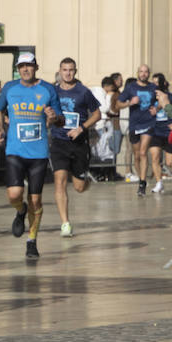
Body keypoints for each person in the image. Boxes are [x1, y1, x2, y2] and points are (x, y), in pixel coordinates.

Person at [0, 52, 59, 259]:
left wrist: (54, 117)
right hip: (15, 149)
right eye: (21, 66)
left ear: (36, 67)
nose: (25, 69)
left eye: (29, 66)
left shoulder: (48, 89)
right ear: (17, 69)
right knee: (14, 194)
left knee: (36, 200)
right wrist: (1, 129)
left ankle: (32, 241)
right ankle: (20, 211)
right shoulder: (10, 88)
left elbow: (60, 118)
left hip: (38, 153)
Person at [46, 58, 102, 237]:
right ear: (60, 71)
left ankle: (84, 181)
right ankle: (65, 223)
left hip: (78, 143)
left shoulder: (83, 92)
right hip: (59, 142)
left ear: (75, 71)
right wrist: (50, 118)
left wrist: (82, 128)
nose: (68, 73)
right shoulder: (52, 91)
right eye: (64, 70)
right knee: (60, 182)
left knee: (78, 187)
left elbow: (97, 114)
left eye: (71, 70)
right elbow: (47, 113)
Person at [119, 64, 164, 195]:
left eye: (146, 72)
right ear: (137, 73)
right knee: (137, 155)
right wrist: (129, 103)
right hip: (134, 124)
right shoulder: (130, 87)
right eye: (141, 72)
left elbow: (163, 100)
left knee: (143, 152)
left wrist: (157, 108)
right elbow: (118, 104)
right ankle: (141, 178)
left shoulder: (153, 87)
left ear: (149, 74)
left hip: (148, 123)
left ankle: (142, 183)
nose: (143, 74)